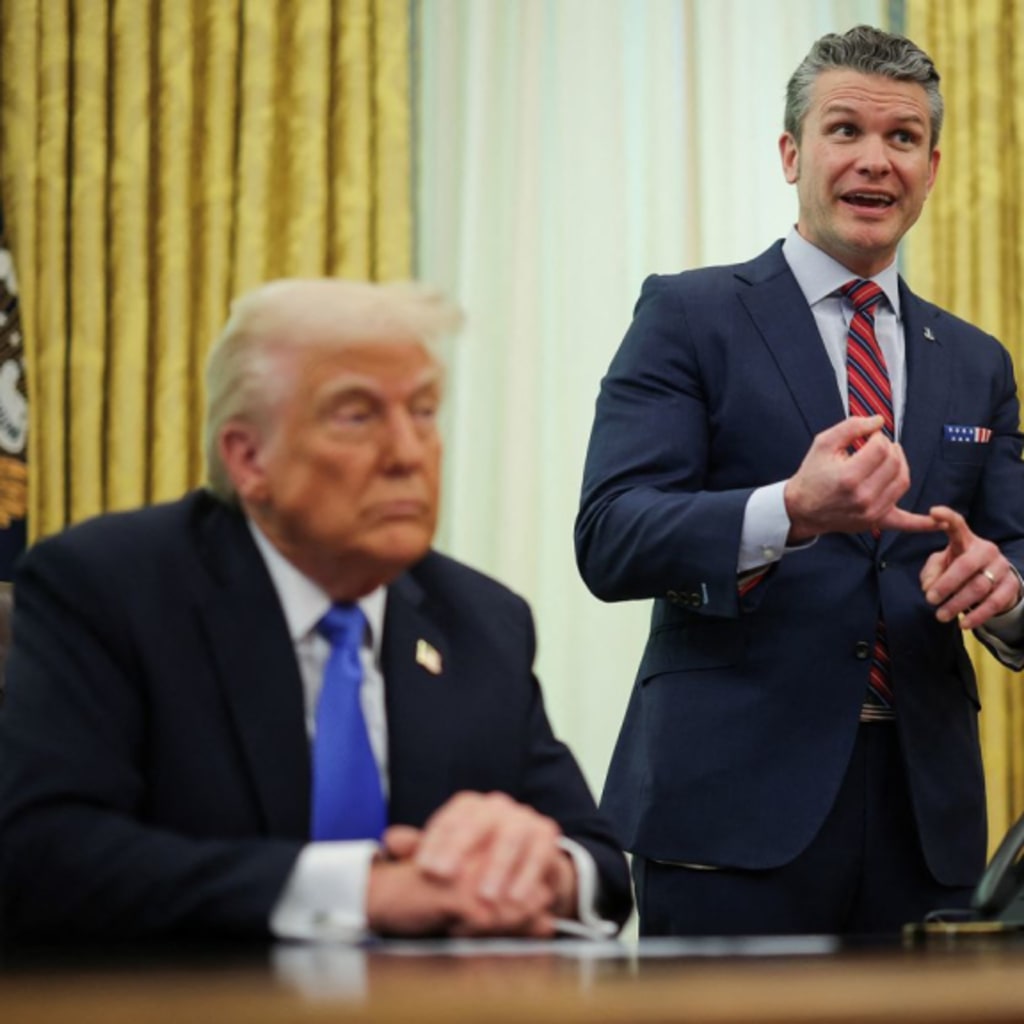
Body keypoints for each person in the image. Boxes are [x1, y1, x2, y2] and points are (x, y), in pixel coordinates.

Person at [0, 278, 632, 942]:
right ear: (248, 458)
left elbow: (599, 867)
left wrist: (536, 867)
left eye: (423, 412)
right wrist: (363, 890)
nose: (408, 454)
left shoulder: (479, 620)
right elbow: (42, 855)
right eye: (357, 416)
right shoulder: (110, 587)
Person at [575, 25, 1024, 936]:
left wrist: (1004, 591)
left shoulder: (978, 362)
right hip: (729, 810)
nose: (874, 161)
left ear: (932, 168)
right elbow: (612, 534)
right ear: (792, 153)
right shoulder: (690, 315)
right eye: (844, 130)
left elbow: (1014, 553)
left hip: (923, 818)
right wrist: (790, 512)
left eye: (901, 140)